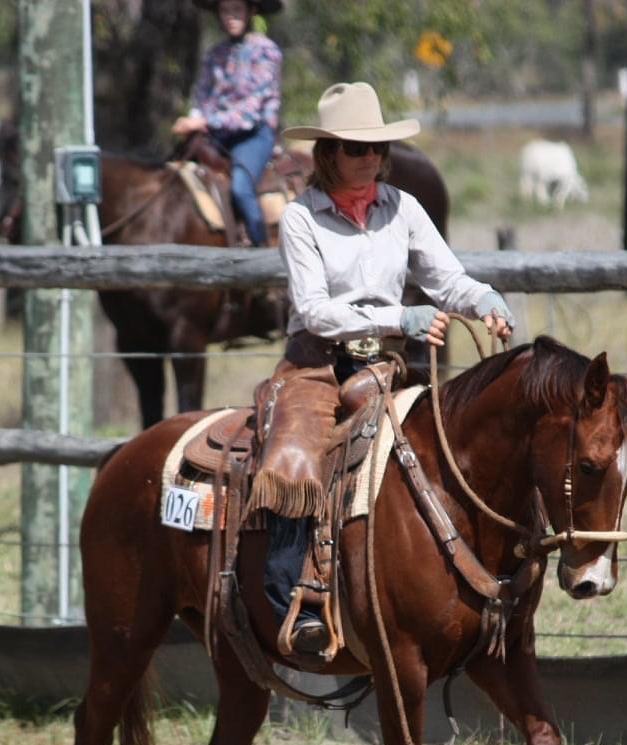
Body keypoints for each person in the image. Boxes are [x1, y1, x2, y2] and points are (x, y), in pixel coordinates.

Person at [262, 81, 513, 655]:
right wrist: (399, 317)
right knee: (293, 460)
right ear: (329, 153)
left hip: (386, 367)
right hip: (316, 365)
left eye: (377, 147)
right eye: (356, 147)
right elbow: (314, 311)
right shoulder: (301, 218)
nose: (369, 157)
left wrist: (484, 299)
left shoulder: (403, 208)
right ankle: (291, 602)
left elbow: (446, 278)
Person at [171, 0, 283, 247]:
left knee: (240, 188)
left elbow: (251, 109)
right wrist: (193, 119)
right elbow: (202, 96)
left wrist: (204, 121)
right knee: (174, 172)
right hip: (216, 135)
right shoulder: (214, 54)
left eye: (237, 9)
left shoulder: (266, 51)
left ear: (251, 11)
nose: (230, 16)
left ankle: (261, 250)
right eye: (225, 10)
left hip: (253, 135)